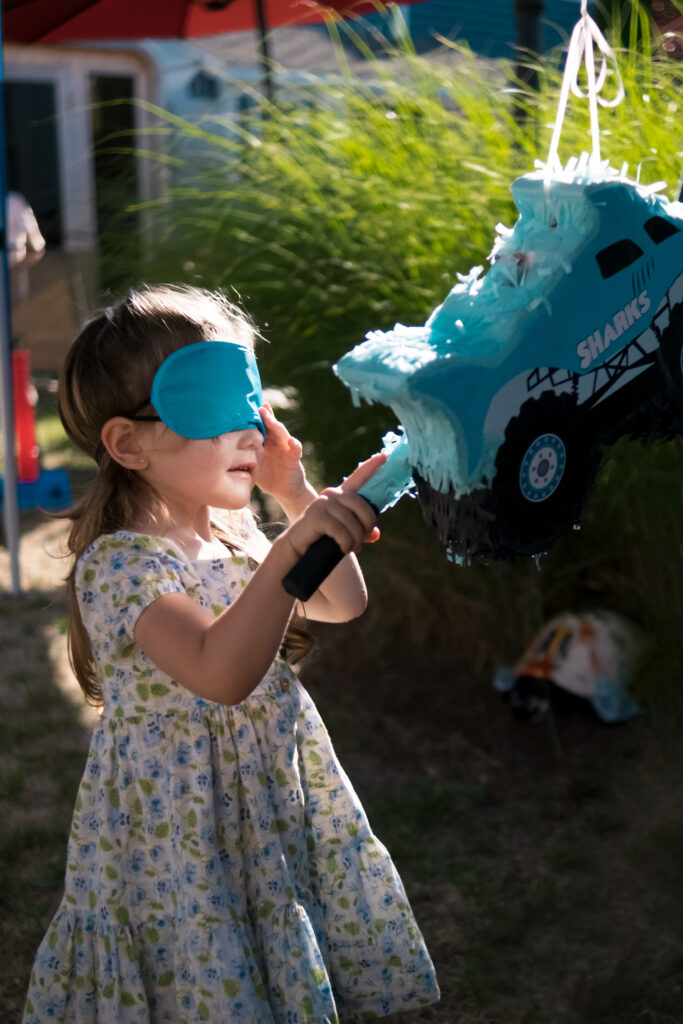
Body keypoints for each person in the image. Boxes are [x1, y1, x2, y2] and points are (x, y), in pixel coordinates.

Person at [23, 284, 440, 1023]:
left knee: (260, 944)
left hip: (260, 810)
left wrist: (297, 497)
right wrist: (289, 550)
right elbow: (219, 672)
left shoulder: (238, 536)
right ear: (128, 444)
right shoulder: (122, 565)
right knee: (201, 966)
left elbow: (343, 602)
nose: (251, 428)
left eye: (253, 399)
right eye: (219, 403)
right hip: (174, 835)